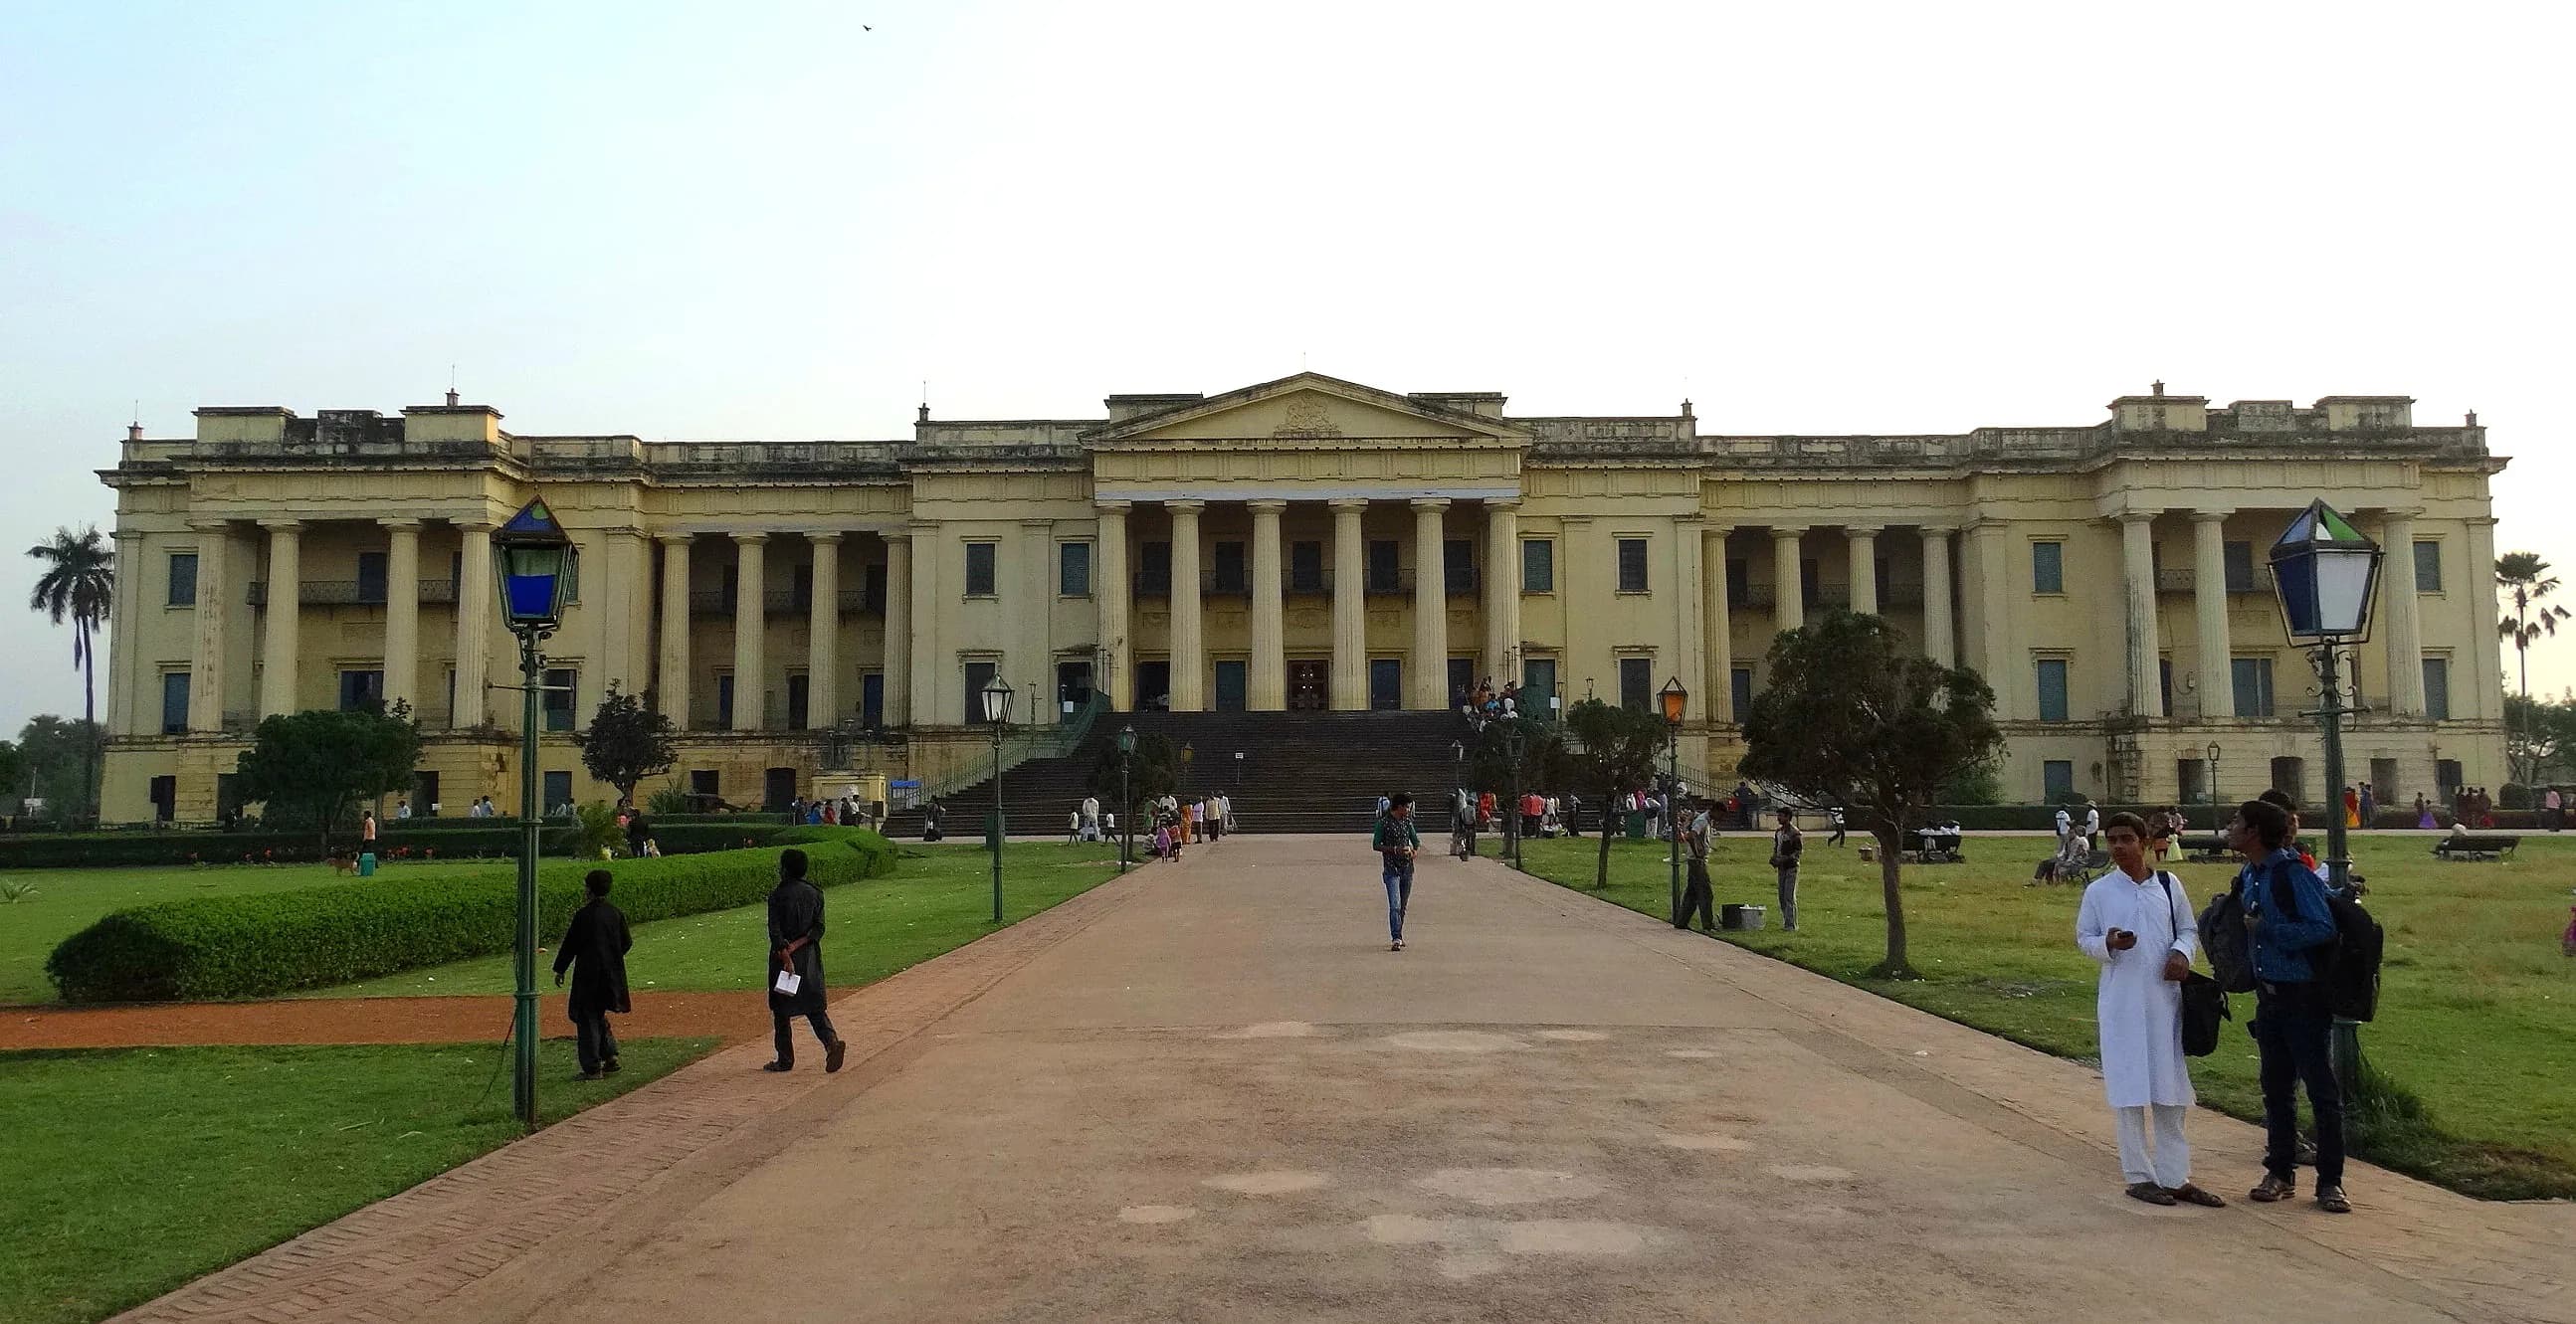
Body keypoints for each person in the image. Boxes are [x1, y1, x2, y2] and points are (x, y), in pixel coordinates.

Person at [2077, 813, 2223, 1208]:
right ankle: (2139, 1175)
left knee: (2170, 1090)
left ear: (2144, 842)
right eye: (2112, 840)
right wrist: (2107, 944)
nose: (2118, 847)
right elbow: (2084, 938)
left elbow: (2188, 930)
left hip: (2165, 1002)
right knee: (2129, 1089)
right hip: (2122, 1003)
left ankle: (2176, 1176)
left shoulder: (2167, 885)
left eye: (2126, 839)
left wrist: (2180, 954)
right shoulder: (2100, 891)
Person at [2227, 797, 2349, 1214]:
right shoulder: (2251, 874)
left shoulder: (2292, 874)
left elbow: (2321, 927)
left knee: (2321, 1091)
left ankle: (2330, 1181)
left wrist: (2269, 929)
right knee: (2275, 1090)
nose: (2230, 827)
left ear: (2254, 832)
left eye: (2237, 822)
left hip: (2304, 998)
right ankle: (2279, 1170)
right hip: (2271, 997)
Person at [764, 849, 847, 1074]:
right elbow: (818, 929)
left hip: (782, 960)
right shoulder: (815, 893)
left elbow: (775, 931)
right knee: (814, 1007)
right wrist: (798, 945)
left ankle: (785, 1059)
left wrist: (785, 953)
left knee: (781, 1010)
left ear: (785, 869)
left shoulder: (777, 896)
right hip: (809, 957)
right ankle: (831, 1043)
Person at [553, 868, 634, 1081]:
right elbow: (626, 942)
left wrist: (560, 968)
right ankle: (610, 1055)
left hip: (588, 975)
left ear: (589, 889)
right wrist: (612, 955)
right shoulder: (615, 913)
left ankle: (592, 1067)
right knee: (598, 1013)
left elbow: (570, 945)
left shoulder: (583, 916)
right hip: (610, 974)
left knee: (586, 1016)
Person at [1374, 792, 1421, 951]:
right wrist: (1394, 850)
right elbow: (1376, 844)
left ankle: (1399, 934)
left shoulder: (1407, 822)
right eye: (1406, 807)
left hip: (1407, 869)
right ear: (1399, 807)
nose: (1408, 810)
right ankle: (1396, 937)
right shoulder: (1384, 823)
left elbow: (1416, 842)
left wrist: (1414, 852)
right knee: (1394, 904)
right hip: (1391, 869)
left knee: (1402, 906)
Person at [1677, 799, 1716, 933]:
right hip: (1697, 861)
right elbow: (1691, 835)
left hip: (1697, 860)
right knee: (1706, 893)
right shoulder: (1702, 820)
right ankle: (1708, 925)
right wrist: (1697, 851)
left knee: (1691, 893)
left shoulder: (1707, 820)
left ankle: (1681, 921)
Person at [1770, 807, 1803, 930]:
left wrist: (1786, 858)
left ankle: (1791, 925)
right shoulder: (1778, 832)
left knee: (1789, 896)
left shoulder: (1794, 833)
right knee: (1781, 896)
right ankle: (1786, 921)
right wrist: (1774, 858)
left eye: (1781, 815)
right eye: (1778, 815)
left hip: (1791, 867)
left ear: (1788, 817)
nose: (1778, 818)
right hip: (1781, 868)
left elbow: (1798, 851)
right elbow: (1777, 847)